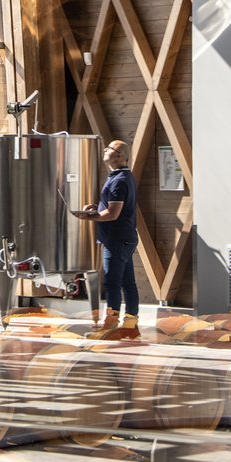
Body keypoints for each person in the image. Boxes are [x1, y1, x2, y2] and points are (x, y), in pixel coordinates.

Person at [72, 139, 139, 331]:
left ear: (119, 156)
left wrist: (88, 217)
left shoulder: (118, 181)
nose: (104, 150)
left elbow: (113, 214)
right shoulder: (121, 177)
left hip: (116, 239)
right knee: (127, 282)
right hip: (124, 237)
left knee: (111, 282)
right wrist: (96, 208)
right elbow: (111, 207)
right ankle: (131, 319)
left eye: (109, 148)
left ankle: (110, 323)